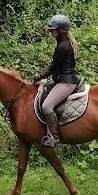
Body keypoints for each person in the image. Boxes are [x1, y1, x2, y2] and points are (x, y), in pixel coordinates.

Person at [32, 14, 81, 148]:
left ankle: (54, 137)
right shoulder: (63, 43)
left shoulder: (62, 46)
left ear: (60, 30)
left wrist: (38, 77)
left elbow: (53, 67)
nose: (51, 32)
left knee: (46, 106)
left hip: (66, 83)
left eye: (53, 30)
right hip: (62, 80)